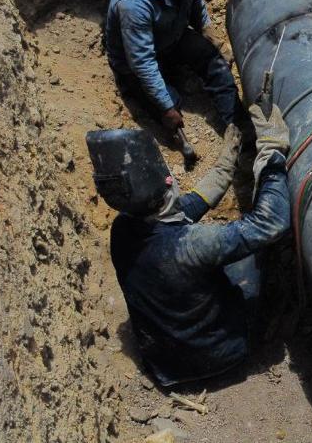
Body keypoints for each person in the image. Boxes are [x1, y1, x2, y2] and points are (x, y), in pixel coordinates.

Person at [84, 103, 291, 386]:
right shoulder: (192, 244)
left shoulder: (124, 228)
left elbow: (187, 207)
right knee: (255, 255)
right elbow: (271, 222)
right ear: (162, 181)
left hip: (166, 368)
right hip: (220, 359)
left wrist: (225, 164)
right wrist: (273, 155)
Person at [103, 0, 238, 134]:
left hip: (170, 38)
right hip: (135, 64)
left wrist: (215, 42)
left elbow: (197, 8)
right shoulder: (133, 4)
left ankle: (239, 128)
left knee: (214, 60)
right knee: (171, 110)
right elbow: (142, 63)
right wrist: (166, 107)